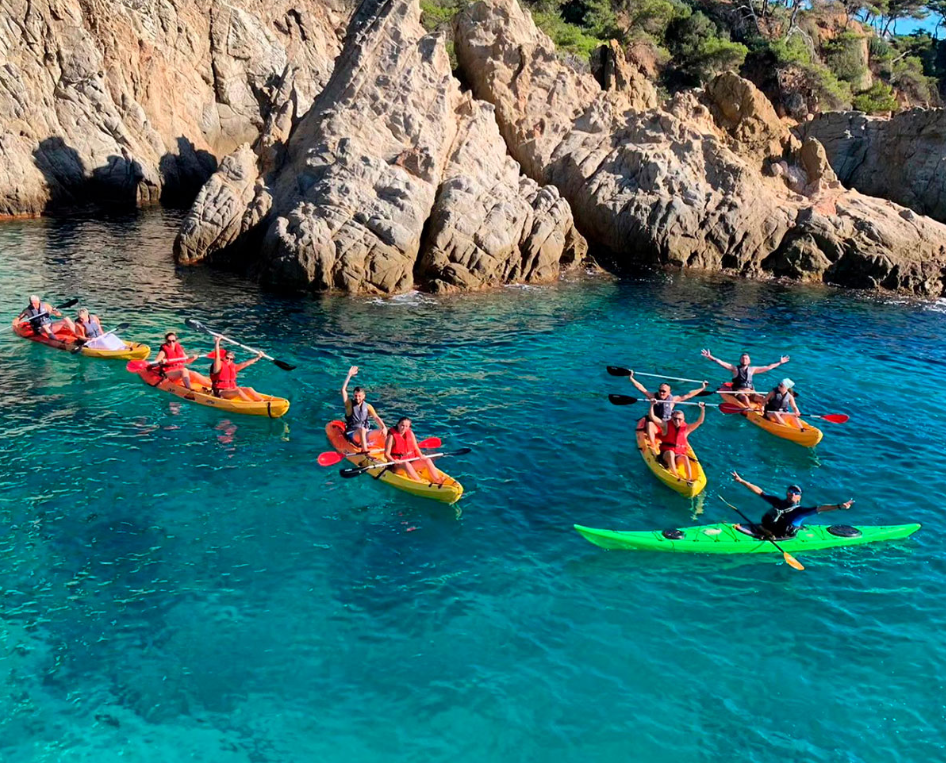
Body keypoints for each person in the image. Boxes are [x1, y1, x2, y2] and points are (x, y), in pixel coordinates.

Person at [731, 471, 855, 538]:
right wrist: (742, 481)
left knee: (784, 523)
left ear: (799, 497)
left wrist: (839, 506)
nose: (792, 494)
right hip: (770, 528)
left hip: (784, 535)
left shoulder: (800, 511)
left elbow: (822, 508)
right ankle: (765, 530)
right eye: (790, 491)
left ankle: (769, 533)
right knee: (773, 512)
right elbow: (759, 492)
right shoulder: (778, 502)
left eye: (796, 493)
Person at [626, 370, 707, 447]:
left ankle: (678, 443)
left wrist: (702, 388)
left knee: (679, 423)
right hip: (656, 423)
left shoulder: (673, 399)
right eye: (660, 390)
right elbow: (641, 388)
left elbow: (689, 395)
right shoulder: (653, 396)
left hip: (667, 425)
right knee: (650, 424)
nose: (661, 393)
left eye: (664, 391)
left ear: (669, 392)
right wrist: (631, 378)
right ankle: (653, 446)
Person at [701, 349, 790, 406]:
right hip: (739, 392)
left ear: (749, 361)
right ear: (740, 360)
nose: (744, 360)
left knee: (763, 398)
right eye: (743, 358)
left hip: (751, 391)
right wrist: (710, 357)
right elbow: (720, 362)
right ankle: (749, 411)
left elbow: (768, 367)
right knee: (745, 399)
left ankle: (766, 410)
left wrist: (780, 362)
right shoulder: (734, 369)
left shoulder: (753, 369)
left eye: (746, 358)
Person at [648, 402, 705, 482]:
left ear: (683, 419)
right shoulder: (666, 425)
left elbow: (699, 422)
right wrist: (652, 405)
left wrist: (702, 409)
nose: (677, 421)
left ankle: (689, 479)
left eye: (680, 419)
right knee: (671, 453)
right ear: (671, 418)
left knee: (685, 457)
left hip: (678, 455)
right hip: (666, 454)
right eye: (675, 418)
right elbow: (653, 417)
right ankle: (675, 476)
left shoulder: (686, 429)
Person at [384, 417, 444, 485]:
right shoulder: (391, 437)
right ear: (398, 424)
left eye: (406, 426)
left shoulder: (410, 433)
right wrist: (393, 461)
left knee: (427, 460)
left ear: (409, 427)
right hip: (397, 466)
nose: (404, 428)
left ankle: (437, 480)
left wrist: (421, 455)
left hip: (410, 461)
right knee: (406, 464)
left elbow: (415, 447)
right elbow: (386, 454)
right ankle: (419, 482)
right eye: (402, 425)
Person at [342, 366, 386, 453]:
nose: (357, 398)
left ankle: (387, 451)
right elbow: (343, 390)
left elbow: (376, 417)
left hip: (365, 433)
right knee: (362, 429)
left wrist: (384, 427)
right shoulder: (349, 404)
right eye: (355, 396)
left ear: (363, 396)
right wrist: (349, 375)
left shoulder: (368, 406)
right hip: (353, 434)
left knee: (383, 432)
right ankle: (365, 451)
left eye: (359, 396)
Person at [209, 336, 265, 402]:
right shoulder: (218, 366)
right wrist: (217, 342)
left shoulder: (233, 367)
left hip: (231, 389)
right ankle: (251, 403)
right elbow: (217, 356)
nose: (229, 360)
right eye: (227, 358)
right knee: (238, 391)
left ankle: (262, 401)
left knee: (249, 389)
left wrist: (258, 357)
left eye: (231, 359)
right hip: (221, 392)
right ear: (223, 357)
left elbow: (246, 364)